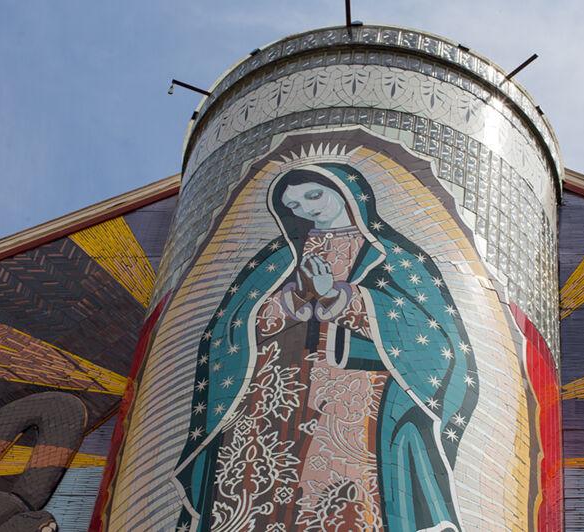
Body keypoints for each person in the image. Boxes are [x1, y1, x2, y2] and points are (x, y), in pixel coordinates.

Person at [174, 163, 479, 532]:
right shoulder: (279, 258)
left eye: (314, 195)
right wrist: (294, 301)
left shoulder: (392, 256)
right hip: (270, 399)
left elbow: (432, 338)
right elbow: (231, 328)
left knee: (341, 500)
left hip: (352, 400)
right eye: (295, 206)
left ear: (348, 192)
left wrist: (340, 297)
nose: (307, 209)